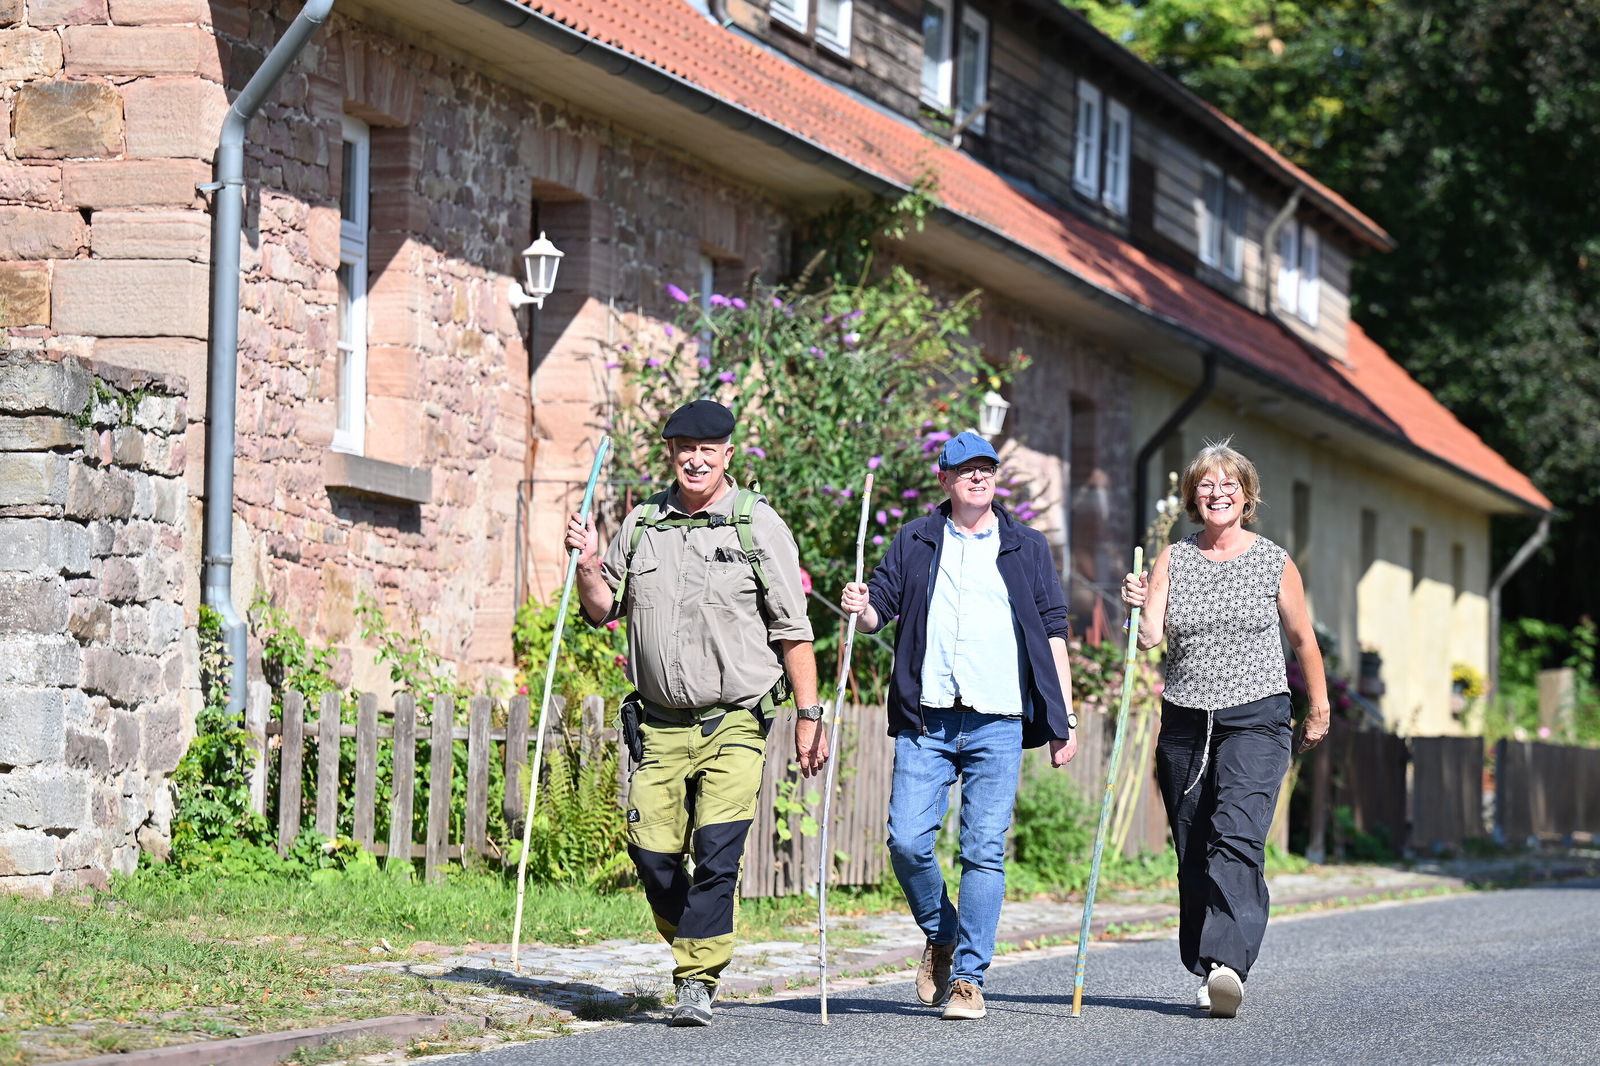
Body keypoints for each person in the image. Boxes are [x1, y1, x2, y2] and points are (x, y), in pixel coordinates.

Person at [566, 399, 828, 1027]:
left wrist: (809, 715)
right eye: (684, 447)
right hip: (658, 725)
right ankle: (697, 944)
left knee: (717, 853)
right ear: (672, 453)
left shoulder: (757, 526)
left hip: (734, 721)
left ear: (728, 455)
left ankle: (697, 981)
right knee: (652, 858)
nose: (695, 458)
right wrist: (586, 566)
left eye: (708, 449)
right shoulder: (643, 524)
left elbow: (794, 629)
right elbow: (603, 610)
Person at [840, 430, 1078, 1021]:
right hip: (929, 716)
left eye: (987, 469)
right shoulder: (916, 538)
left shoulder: (1027, 546)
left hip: (998, 717)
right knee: (906, 840)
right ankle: (941, 932)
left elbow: (1052, 631)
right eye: (964, 470)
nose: (977, 477)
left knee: (983, 851)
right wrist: (861, 605)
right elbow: (878, 615)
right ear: (944, 480)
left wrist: (1062, 716)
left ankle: (969, 978)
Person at [1119, 438, 1330, 1019]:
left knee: (1235, 833)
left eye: (1228, 485)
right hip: (1187, 718)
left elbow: (1303, 640)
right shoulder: (1174, 558)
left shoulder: (1273, 560)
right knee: (1192, 843)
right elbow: (1151, 636)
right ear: (1193, 497)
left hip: (1257, 716)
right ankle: (1208, 963)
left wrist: (1319, 707)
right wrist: (1137, 604)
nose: (1217, 494)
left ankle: (1229, 963)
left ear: (1246, 496)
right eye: (1206, 486)